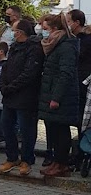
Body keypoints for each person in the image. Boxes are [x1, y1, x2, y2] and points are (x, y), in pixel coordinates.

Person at [0, 18, 44, 176]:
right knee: (6, 125)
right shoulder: (14, 47)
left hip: (25, 96)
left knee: (27, 129)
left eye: (14, 31)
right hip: (10, 96)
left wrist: (12, 87)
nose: (12, 33)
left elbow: (30, 72)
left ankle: (27, 159)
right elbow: (7, 67)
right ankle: (11, 157)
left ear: (21, 32)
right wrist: (3, 84)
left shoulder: (34, 48)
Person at [39, 12, 79, 178]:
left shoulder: (66, 46)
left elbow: (65, 73)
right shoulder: (56, 44)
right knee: (53, 129)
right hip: (51, 92)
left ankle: (61, 163)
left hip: (60, 96)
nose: (43, 31)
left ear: (55, 28)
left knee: (61, 130)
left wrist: (56, 97)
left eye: (46, 28)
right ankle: (56, 161)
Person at [66, 9, 91, 150]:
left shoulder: (84, 40)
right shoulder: (72, 39)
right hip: (74, 83)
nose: (67, 24)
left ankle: (82, 151)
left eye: (69, 21)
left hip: (83, 84)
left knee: (83, 120)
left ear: (77, 22)